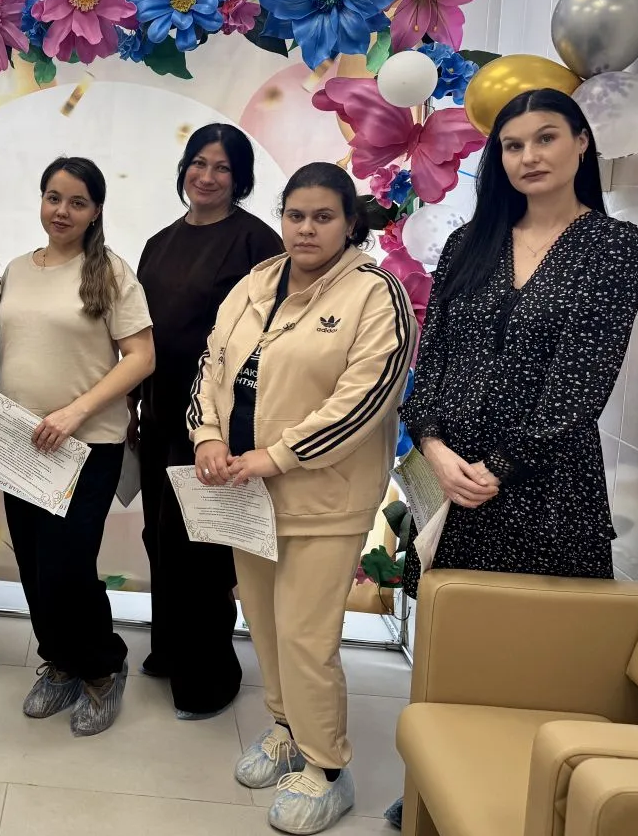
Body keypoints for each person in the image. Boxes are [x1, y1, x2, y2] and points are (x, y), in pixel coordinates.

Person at [382, 89, 638, 828]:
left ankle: (523, 796)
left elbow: (582, 384)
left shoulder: (613, 246)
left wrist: (499, 466)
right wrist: (434, 446)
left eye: (546, 138)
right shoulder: (469, 242)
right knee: (451, 646)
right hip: (450, 482)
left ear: (582, 143)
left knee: (541, 655)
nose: (529, 156)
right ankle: (438, 778)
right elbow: (432, 363)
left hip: (546, 491)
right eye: (512, 145)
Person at [190, 162, 414, 834]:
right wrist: (206, 435)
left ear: (349, 223)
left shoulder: (376, 293)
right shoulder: (257, 281)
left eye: (323, 217)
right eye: (295, 215)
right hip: (244, 490)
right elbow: (211, 364)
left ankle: (327, 768)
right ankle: (287, 729)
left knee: (305, 636)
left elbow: (365, 401)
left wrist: (277, 455)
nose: (307, 229)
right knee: (263, 621)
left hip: (324, 497)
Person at [0, 157, 156, 737]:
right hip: (19, 443)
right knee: (33, 566)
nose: (62, 211)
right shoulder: (16, 269)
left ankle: (102, 667)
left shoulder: (110, 272)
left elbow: (142, 357)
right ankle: (60, 660)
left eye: (77, 202)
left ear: (95, 212)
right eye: (53, 198)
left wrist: (74, 412)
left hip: (87, 443)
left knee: (67, 566)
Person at [132, 123, 282, 719]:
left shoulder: (258, 243)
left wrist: (230, 427)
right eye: (199, 163)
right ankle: (170, 649)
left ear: (240, 178)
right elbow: (141, 332)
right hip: (157, 413)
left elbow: (271, 339)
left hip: (214, 425)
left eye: (222, 167)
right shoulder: (159, 242)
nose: (208, 176)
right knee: (159, 538)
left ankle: (210, 677)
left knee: (201, 550)